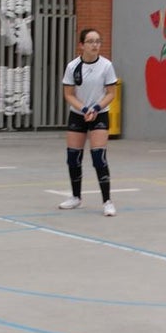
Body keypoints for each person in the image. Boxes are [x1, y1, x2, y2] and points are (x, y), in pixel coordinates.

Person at [59, 28, 119, 216]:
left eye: (98, 41)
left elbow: (111, 93)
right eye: (91, 41)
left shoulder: (106, 66)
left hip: (99, 113)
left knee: (98, 158)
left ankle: (107, 201)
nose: (95, 45)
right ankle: (76, 197)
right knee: (73, 157)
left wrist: (95, 108)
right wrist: (84, 108)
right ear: (82, 45)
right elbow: (68, 94)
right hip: (79, 114)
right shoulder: (72, 67)